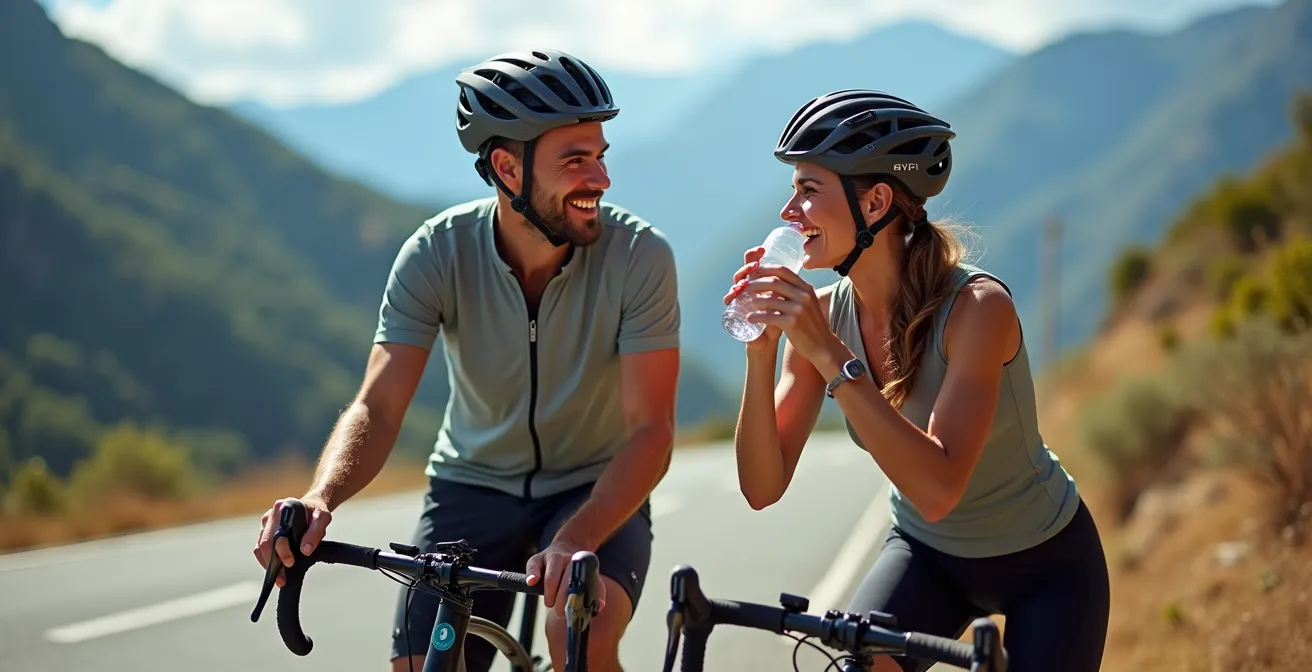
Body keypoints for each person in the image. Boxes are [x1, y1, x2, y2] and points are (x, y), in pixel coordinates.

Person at [253, 48, 681, 672]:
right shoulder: (436, 254)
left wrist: (576, 538)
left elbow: (651, 432)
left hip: (595, 482)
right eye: (575, 161)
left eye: (600, 157)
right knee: (426, 664)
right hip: (473, 483)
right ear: (507, 167)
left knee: (576, 637)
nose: (601, 179)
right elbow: (379, 403)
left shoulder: (640, 256)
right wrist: (321, 498)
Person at [724, 89, 1110, 672]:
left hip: (1046, 564)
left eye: (808, 190)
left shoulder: (979, 308)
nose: (788, 211)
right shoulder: (824, 317)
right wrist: (761, 354)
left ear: (876, 201)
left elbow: (938, 488)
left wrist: (829, 354)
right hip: (927, 556)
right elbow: (761, 486)